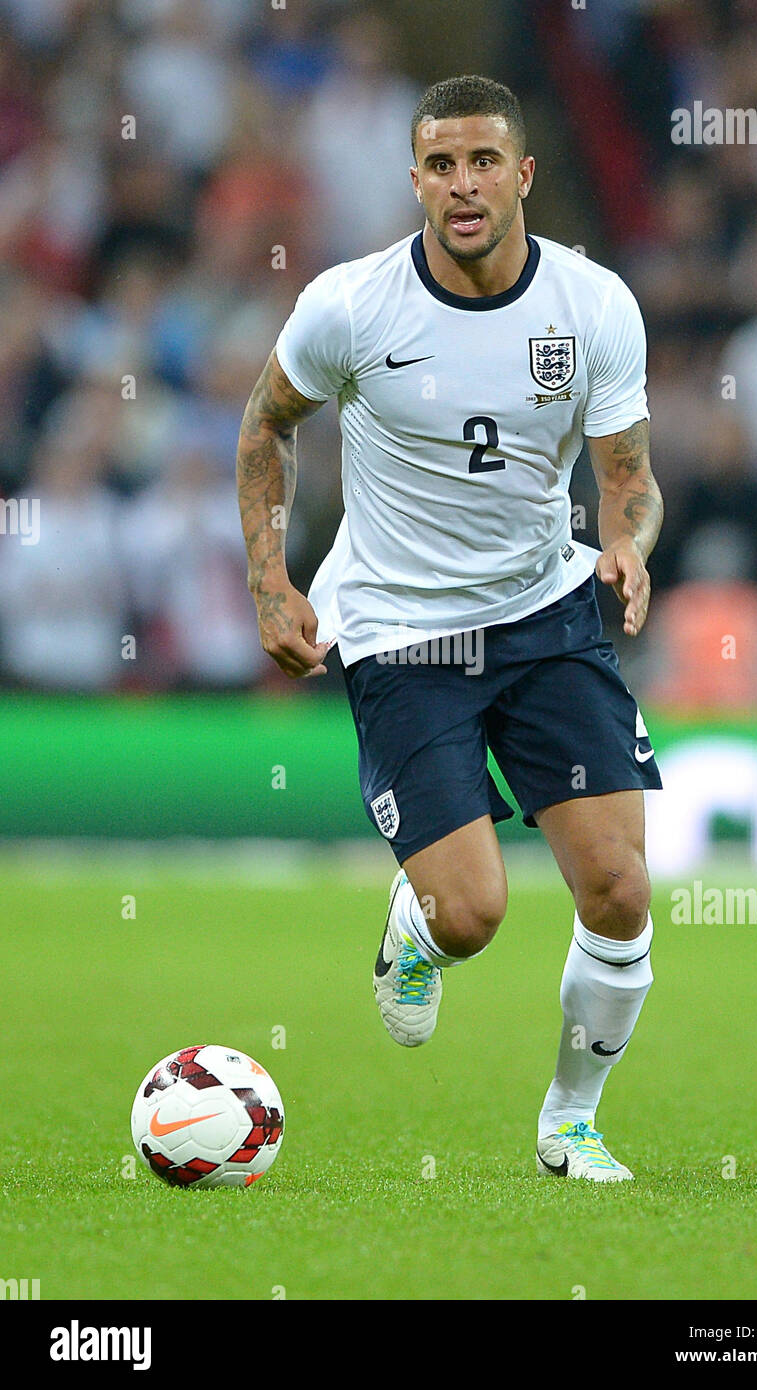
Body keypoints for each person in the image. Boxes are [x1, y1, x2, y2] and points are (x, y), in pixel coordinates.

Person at [236, 76, 664, 1182]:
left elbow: (629, 479)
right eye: (439, 164)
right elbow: (266, 425)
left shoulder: (592, 305)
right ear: (414, 178)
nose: (461, 185)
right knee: (471, 913)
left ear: (522, 173)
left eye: (482, 162)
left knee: (617, 889)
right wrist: (270, 581)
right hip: (399, 629)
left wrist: (627, 544)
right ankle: (415, 931)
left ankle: (569, 1122)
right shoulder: (350, 305)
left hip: (541, 611)